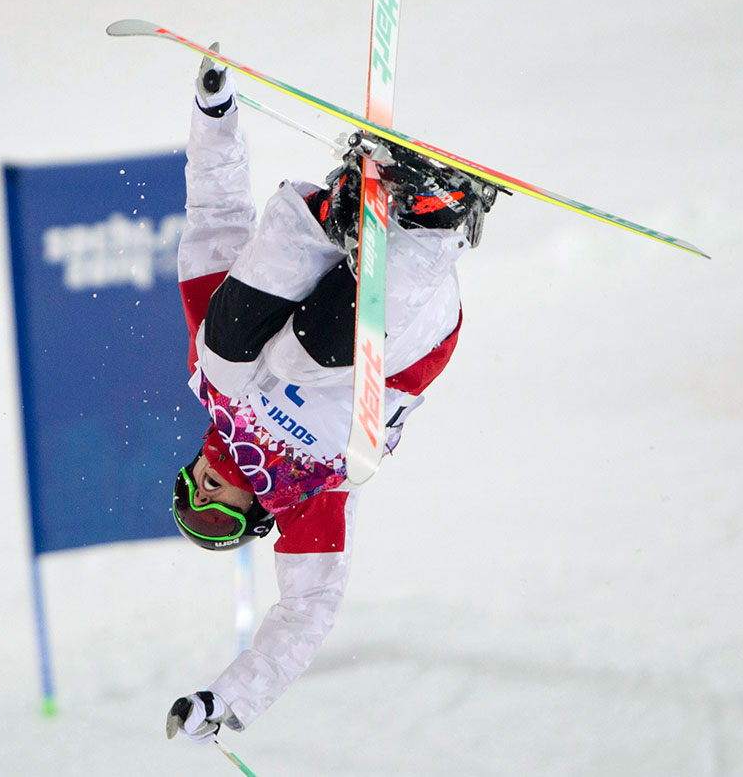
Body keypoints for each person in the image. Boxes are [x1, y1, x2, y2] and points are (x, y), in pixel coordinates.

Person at [165, 47, 495, 744]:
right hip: (404, 335)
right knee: (302, 368)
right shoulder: (304, 502)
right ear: (252, 520)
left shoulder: (210, 381)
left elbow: (215, 222)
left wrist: (213, 118)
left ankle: (342, 214)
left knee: (222, 355)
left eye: (190, 485)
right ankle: (426, 224)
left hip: (314, 256)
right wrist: (226, 702)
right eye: (215, 512)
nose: (206, 485)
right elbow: (305, 615)